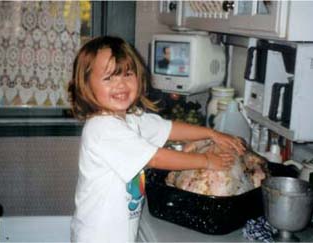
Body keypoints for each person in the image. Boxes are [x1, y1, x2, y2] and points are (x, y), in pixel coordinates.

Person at [68, 36, 245, 243]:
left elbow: (170, 129)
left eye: (128, 74)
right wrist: (206, 160)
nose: (121, 84)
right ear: (87, 86)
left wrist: (211, 133)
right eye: (109, 78)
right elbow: (155, 159)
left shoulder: (130, 118)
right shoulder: (103, 128)